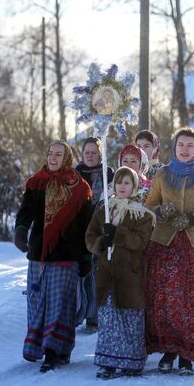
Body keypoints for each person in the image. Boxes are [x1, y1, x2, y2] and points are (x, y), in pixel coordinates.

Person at [144, 127, 194, 375]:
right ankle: (168, 350)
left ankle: (187, 355)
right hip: (166, 244)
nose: (185, 149)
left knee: (191, 301)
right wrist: (160, 212)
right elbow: (149, 206)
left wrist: (193, 217)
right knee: (166, 300)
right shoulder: (163, 174)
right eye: (181, 144)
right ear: (174, 146)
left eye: (190, 145)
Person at [14, 141, 92, 372]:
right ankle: (37, 347)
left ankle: (54, 351)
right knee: (37, 302)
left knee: (60, 305)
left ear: (66, 158)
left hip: (67, 256)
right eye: (50, 154)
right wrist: (20, 230)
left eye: (59, 154)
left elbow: (86, 226)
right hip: (39, 255)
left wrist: (86, 257)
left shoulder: (80, 188)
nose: (53, 158)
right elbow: (25, 211)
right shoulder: (36, 182)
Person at [85, 167, 155, 378]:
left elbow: (142, 242)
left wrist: (119, 234)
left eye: (127, 183)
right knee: (108, 321)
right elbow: (90, 237)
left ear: (134, 186)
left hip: (130, 277)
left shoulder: (141, 213)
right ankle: (107, 361)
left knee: (129, 320)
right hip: (107, 275)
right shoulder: (104, 210)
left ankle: (131, 361)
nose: (122, 186)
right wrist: (101, 242)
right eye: (119, 182)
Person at [75, 137, 114, 333]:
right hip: (79, 229)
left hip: (99, 228)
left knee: (97, 274)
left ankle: (94, 318)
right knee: (81, 273)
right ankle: (79, 313)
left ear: (100, 154)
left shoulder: (107, 172)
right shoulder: (75, 173)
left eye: (94, 152)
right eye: (87, 152)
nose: (90, 156)